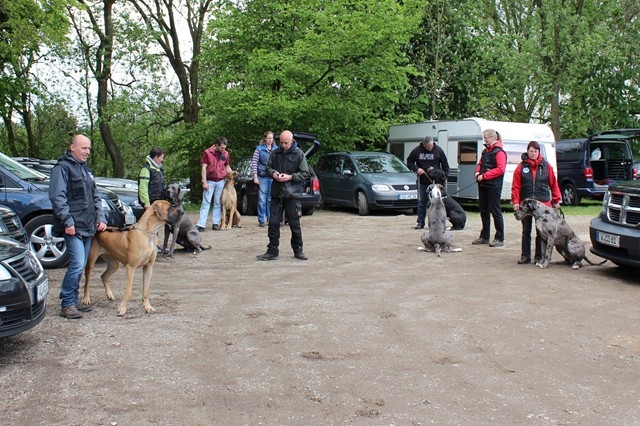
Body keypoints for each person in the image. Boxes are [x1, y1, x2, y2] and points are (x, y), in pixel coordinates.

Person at [49, 134, 107, 319]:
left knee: (80, 265)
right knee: (77, 264)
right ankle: (67, 304)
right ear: (72, 148)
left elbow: (96, 196)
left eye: (89, 148)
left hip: (88, 226)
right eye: (84, 148)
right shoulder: (62, 168)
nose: (87, 152)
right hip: (73, 227)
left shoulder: (86, 170)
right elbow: (57, 197)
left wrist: (100, 217)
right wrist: (68, 221)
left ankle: (72, 301)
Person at [257, 130, 311, 261]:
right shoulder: (275, 153)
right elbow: (267, 169)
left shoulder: (299, 154)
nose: (283, 145)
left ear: (292, 141)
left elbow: (305, 173)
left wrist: (290, 177)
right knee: (273, 223)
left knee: (294, 224)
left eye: (286, 143)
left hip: (292, 194)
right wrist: (274, 174)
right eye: (281, 142)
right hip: (277, 193)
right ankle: (272, 251)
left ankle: (298, 250)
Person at [511, 140, 561, 264]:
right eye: (531, 151)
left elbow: (553, 184)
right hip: (526, 204)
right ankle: (525, 256)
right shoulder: (521, 167)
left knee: (541, 232)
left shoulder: (547, 166)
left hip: (543, 204)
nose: (533, 153)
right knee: (526, 231)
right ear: (527, 151)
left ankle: (539, 256)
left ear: (539, 152)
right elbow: (516, 186)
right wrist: (516, 201)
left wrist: (556, 200)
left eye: (535, 151)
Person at [406, 136, 450, 229]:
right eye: (428, 147)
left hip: (436, 182)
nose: (430, 148)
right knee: (422, 202)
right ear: (424, 144)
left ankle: (439, 223)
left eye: (431, 146)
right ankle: (420, 222)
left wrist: (445, 177)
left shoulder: (438, 150)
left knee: (438, 202)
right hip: (423, 180)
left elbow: (445, 165)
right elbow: (409, 162)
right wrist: (416, 169)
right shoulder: (417, 151)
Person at [472, 129, 506, 247]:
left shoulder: (499, 152)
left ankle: (499, 237)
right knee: (484, 211)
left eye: (486, 137)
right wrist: (477, 172)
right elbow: (480, 164)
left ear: (493, 138)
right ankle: (484, 236)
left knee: (495, 211)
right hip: (483, 184)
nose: (484, 139)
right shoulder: (485, 151)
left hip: (494, 186)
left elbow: (500, 169)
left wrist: (485, 175)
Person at [196, 136, 231, 232]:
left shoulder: (225, 154)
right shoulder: (207, 153)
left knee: (218, 203)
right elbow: (204, 168)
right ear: (216, 145)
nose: (223, 150)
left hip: (221, 181)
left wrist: (231, 177)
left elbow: (227, 167)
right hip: (210, 180)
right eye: (222, 148)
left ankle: (215, 223)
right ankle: (201, 224)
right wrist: (204, 182)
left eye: (224, 148)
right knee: (206, 202)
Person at [251, 131, 277, 227]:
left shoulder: (276, 149)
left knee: (270, 199)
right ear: (265, 138)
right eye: (269, 138)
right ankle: (261, 220)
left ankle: (270, 219)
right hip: (262, 177)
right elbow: (254, 163)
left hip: (273, 177)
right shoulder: (259, 149)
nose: (270, 140)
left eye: (272, 138)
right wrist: (255, 177)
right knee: (262, 199)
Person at [138, 147, 165, 212]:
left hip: (158, 202)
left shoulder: (159, 169)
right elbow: (143, 187)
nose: (162, 160)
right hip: (150, 203)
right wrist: (146, 203)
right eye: (161, 157)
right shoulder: (146, 169)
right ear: (156, 157)